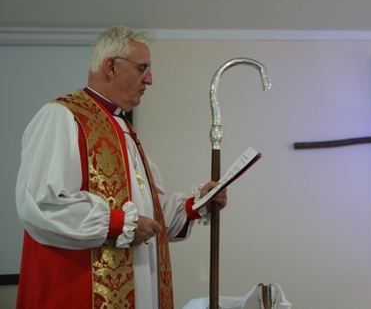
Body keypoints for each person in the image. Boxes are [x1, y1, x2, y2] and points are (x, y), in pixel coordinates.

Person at [15, 26, 227, 308]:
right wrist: (118, 224)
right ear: (111, 66)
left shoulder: (124, 128)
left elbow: (147, 214)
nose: (149, 79)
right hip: (77, 290)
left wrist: (195, 205)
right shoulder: (61, 117)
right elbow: (42, 204)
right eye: (142, 68)